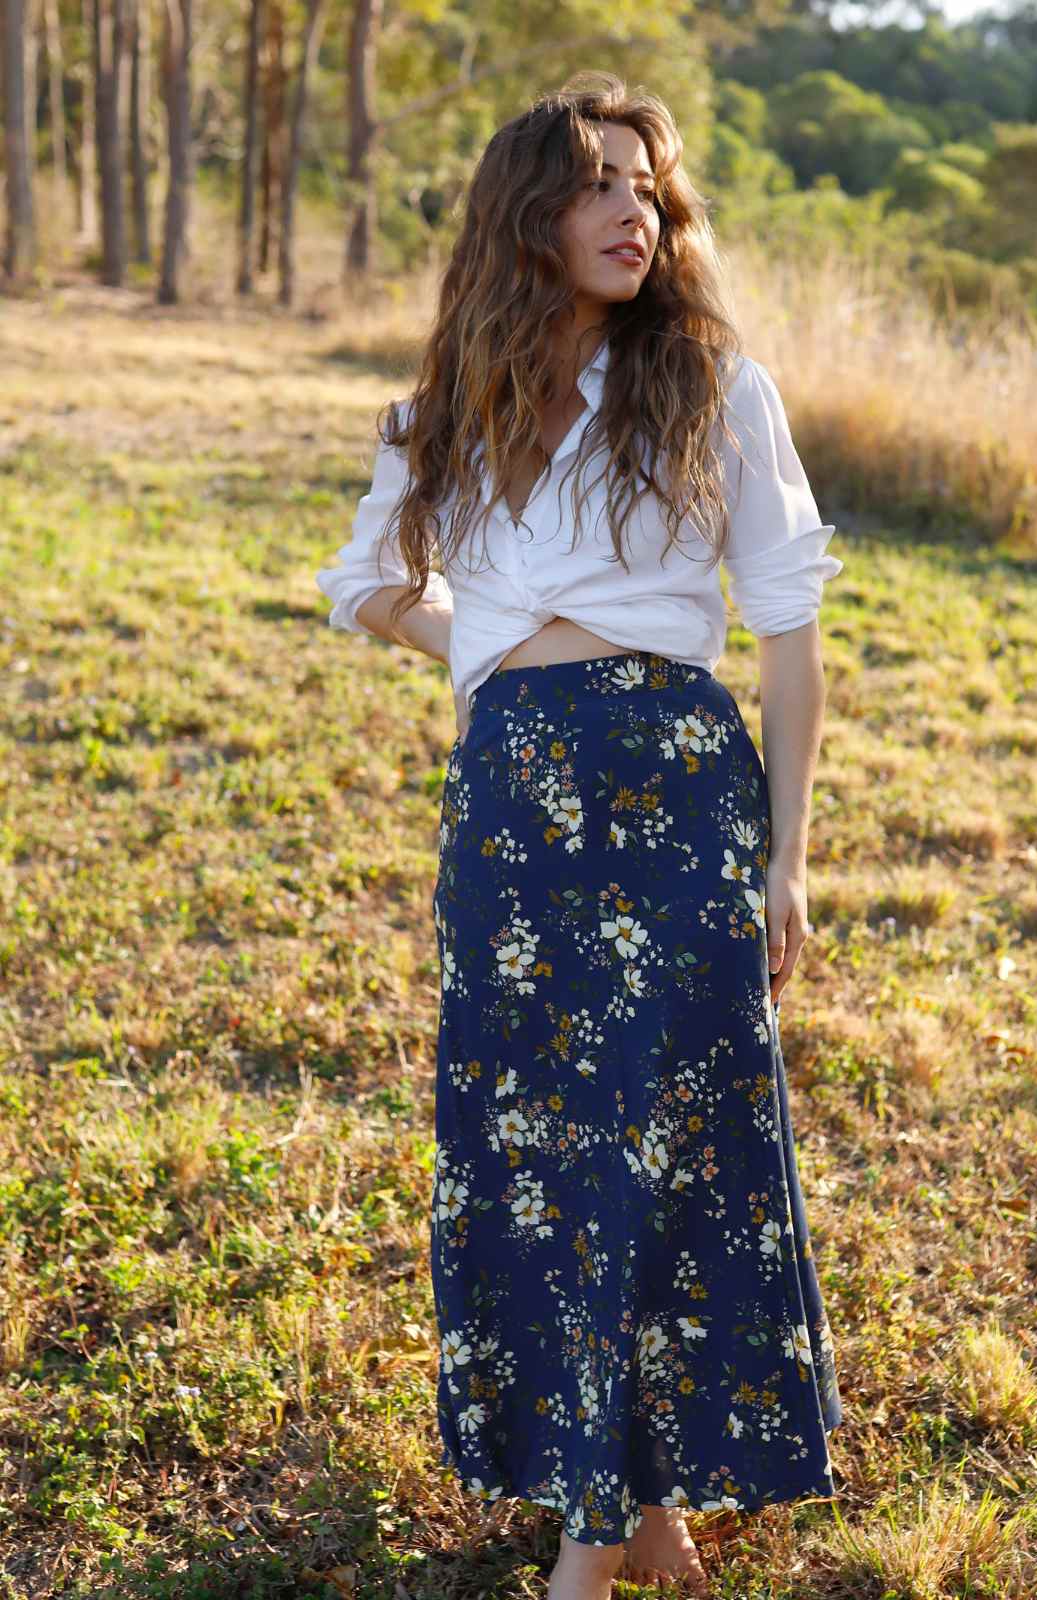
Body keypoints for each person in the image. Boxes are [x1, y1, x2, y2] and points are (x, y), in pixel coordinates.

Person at [315, 69, 845, 1600]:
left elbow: (791, 634)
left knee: (667, 1141)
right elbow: (362, 584)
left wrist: (789, 855)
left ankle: (592, 1543)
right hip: (513, 808)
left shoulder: (715, 388)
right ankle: (643, 1500)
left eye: (649, 189)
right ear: (527, 215)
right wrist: (489, 643)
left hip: (673, 791)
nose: (635, 212)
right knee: (541, 1148)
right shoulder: (446, 407)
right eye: (599, 183)